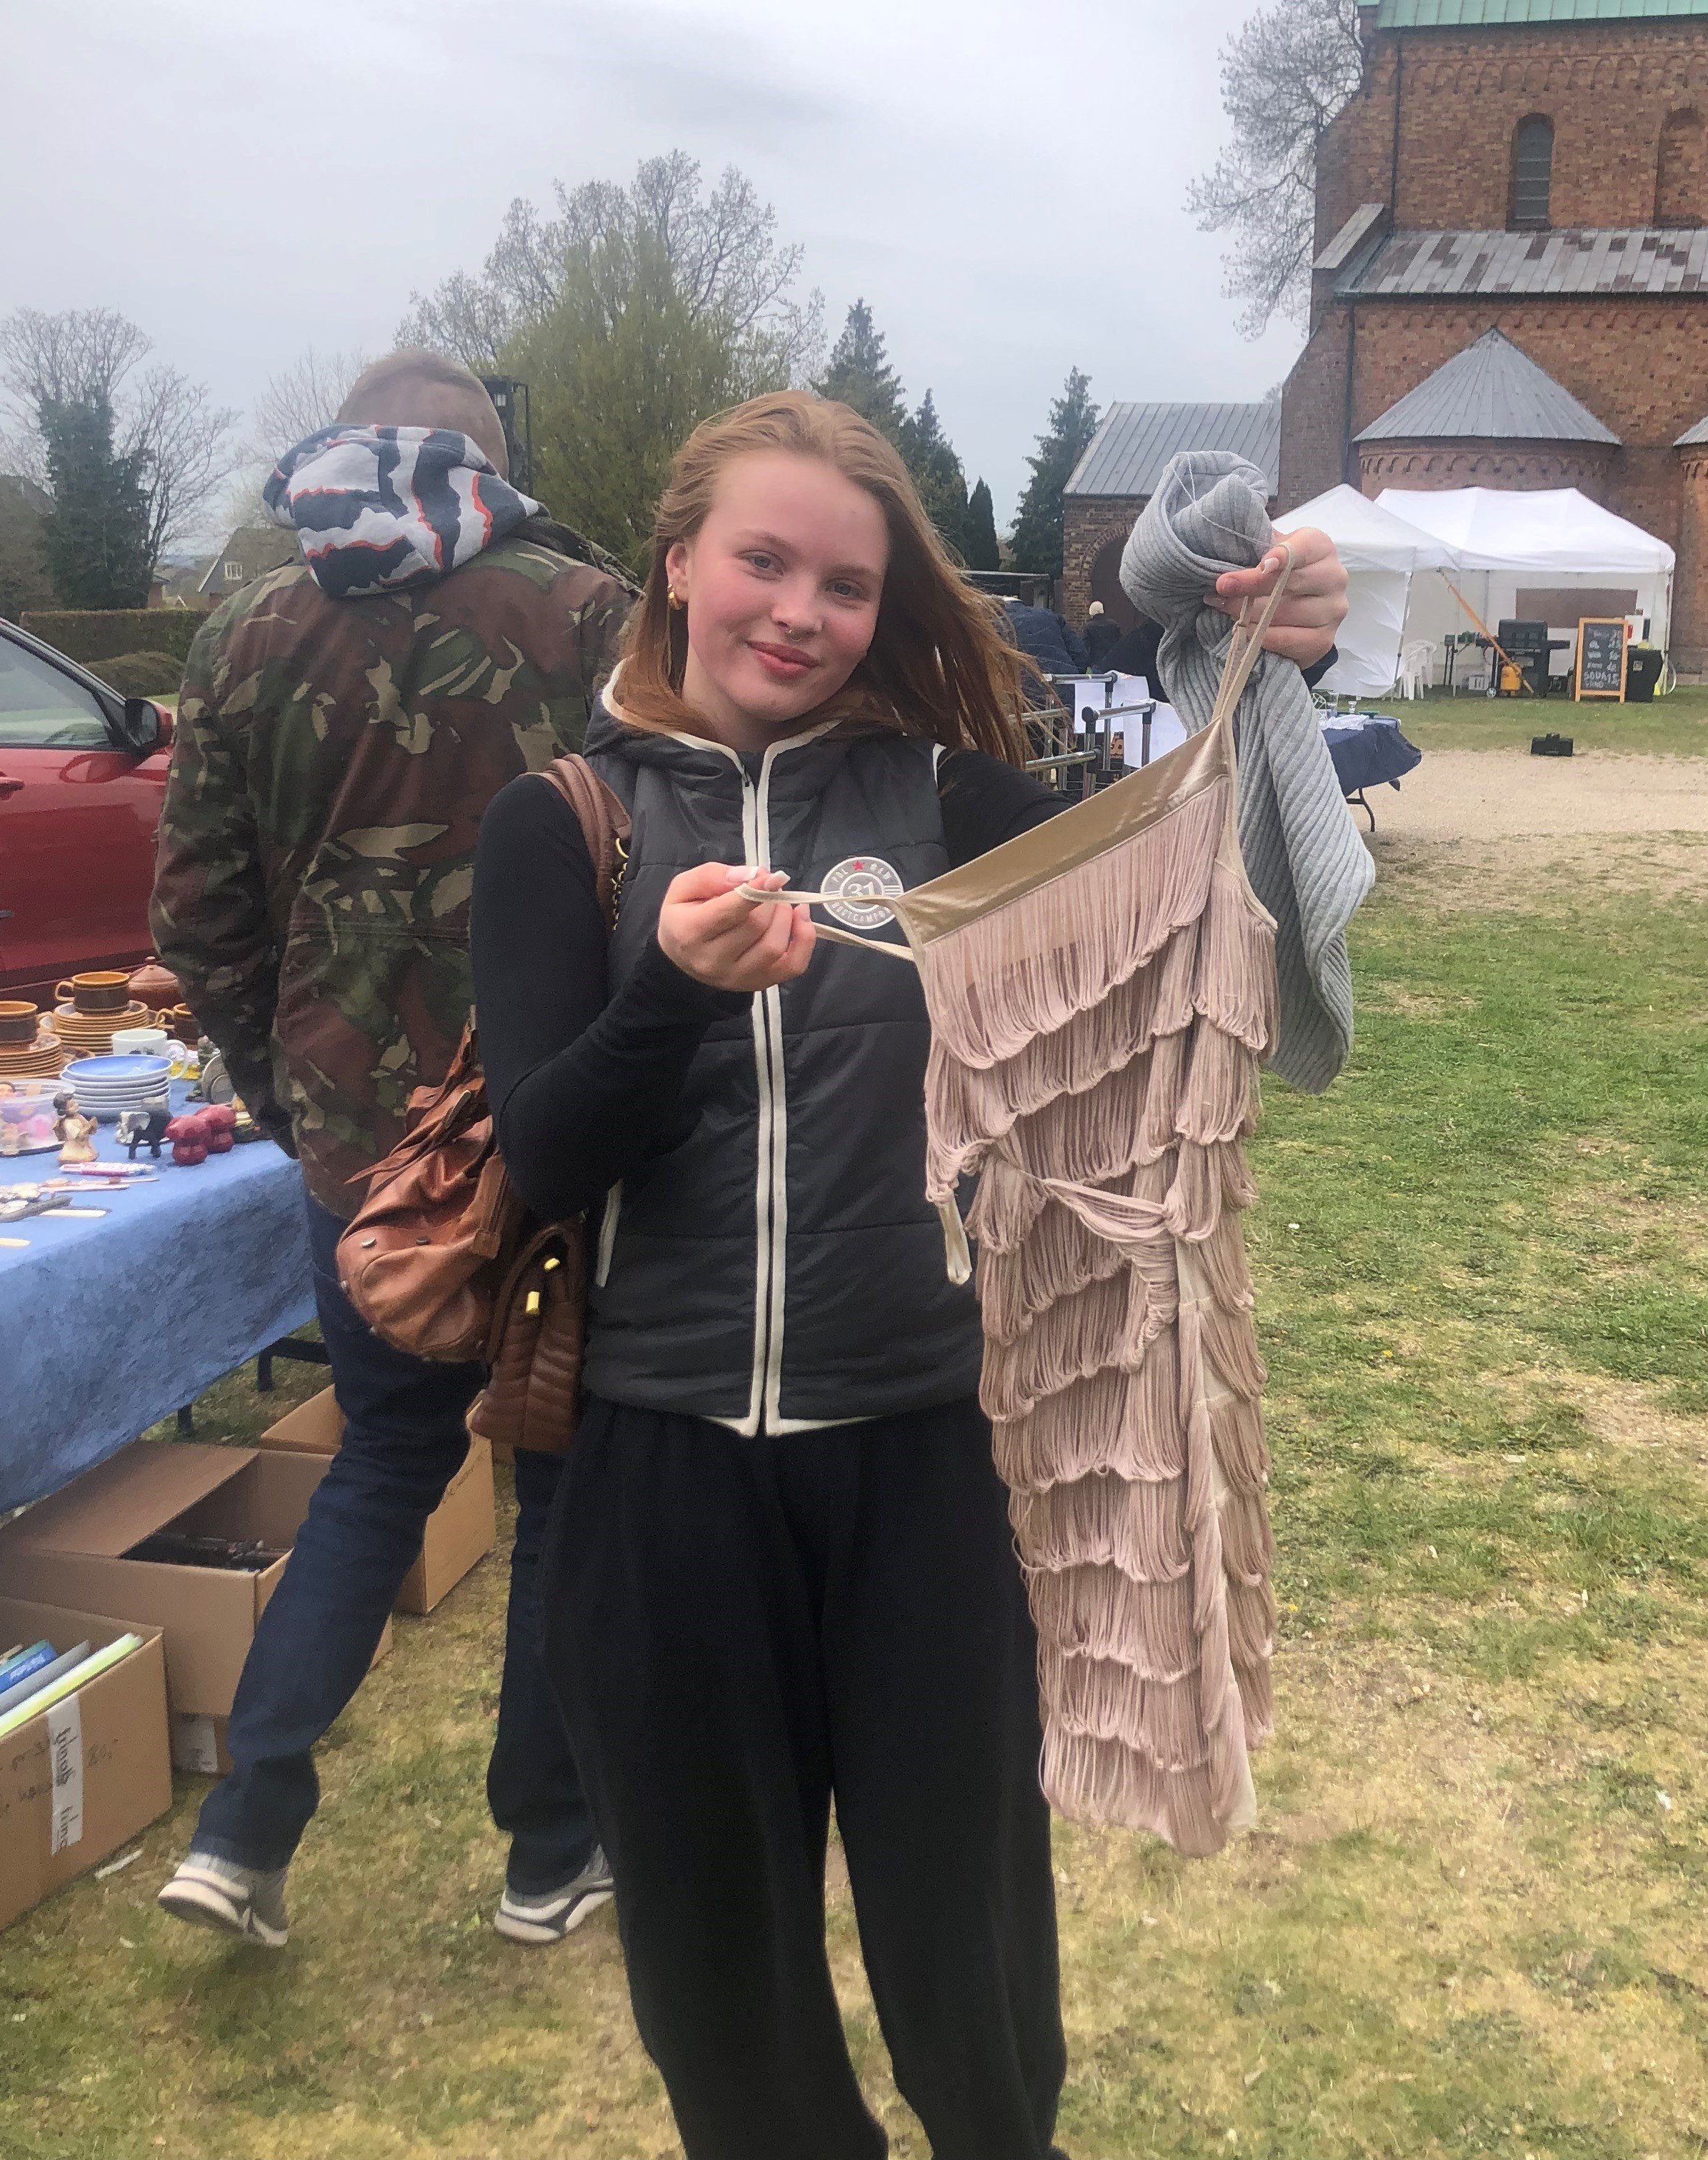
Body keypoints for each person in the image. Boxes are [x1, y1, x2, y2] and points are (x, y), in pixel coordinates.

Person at [466, 389, 1349, 2159]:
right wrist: (674, 996)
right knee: (726, 2007)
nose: (799, 611)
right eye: (763, 562)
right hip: (657, 1479)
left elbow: (1178, 881)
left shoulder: (950, 802)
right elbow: (545, 1158)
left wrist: (1251, 641)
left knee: (979, 1976)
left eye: (846, 585)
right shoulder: (562, 822)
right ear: (681, 559)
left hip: (922, 1456)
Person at [149, 351, 631, 1951]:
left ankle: (245, 1824)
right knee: (553, 1477)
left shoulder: (242, 629)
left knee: (377, 1469)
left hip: (358, 1147)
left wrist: (293, 1095)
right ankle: (548, 1852)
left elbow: (196, 920)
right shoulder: (582, 618)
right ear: (494, 462)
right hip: (547, 1126)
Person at [1002, 591, 1088, 681]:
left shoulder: (996, 621)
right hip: (1063, 682)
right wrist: (1071, 677)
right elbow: (1080, 654)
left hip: (1022, 685)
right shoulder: (1050, 615)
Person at [1080, 596, 1124, 668]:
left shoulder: (1089, 627)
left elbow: (1085, 646)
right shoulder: (1113, 624)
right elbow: (1120, 641)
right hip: (1112, 660)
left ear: (1092, 612)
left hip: (1096, 662)